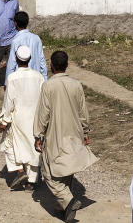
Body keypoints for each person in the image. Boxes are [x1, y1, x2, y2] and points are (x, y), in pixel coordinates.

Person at [34, 50, 97, 222]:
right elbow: (83, 111)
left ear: (52, 65)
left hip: (55, 133)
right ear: (67, 65)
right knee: (66, 167)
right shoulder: (76, 84)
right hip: (74, 132)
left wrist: (38, 135)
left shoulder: (48, 85)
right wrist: (85, 131)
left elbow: (43, 113)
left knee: (48, 171)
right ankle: (61, 208)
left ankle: (68, 202)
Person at [0, 45, 45, 191]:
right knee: (34, 148)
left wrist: (4, 121)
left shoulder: (12, 78)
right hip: (35, 118)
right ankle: (31, 181)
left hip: (18, 118)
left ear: (16, 59)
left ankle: (19, 171)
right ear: (30, 59)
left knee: (11, 144)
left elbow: (8, 102)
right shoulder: (39, 77)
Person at [6, 10, 47, 82]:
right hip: (35, 77)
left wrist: (7, 82)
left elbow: (11, 63)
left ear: (15, 23)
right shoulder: (36, 38)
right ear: (27, 22)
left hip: (20, 79)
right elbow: (42, 60)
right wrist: (45, 78)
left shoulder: (15, 41)